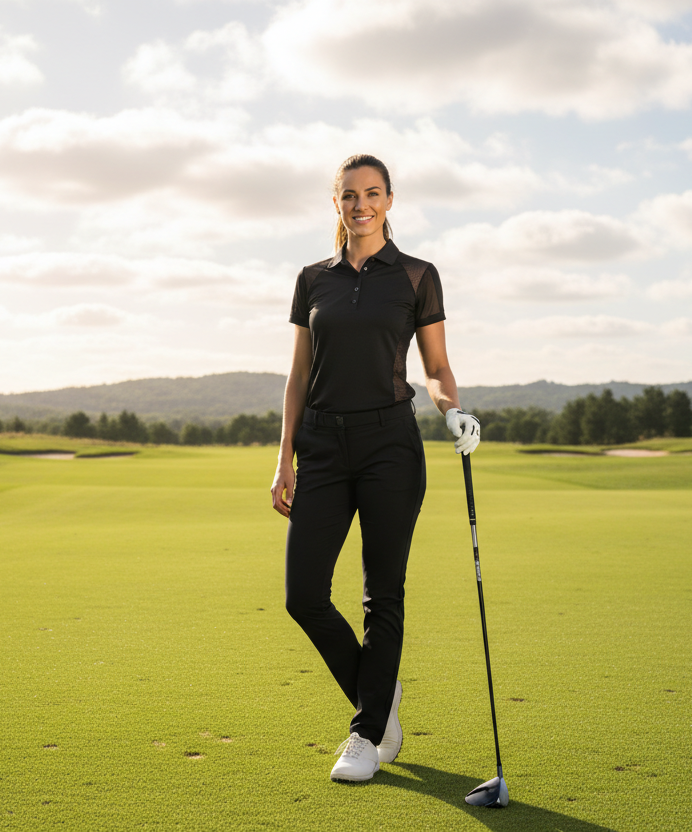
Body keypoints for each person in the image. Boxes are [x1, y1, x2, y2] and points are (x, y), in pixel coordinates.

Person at [270, 154, 481, 783]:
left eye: (372, 194)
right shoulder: (313, 278)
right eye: (349, 195)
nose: (360, 205)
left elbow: (437, 368)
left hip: (391, 445)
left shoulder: (417, 276)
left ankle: (365, 734)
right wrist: (284, 456)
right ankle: (378, 700)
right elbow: (299, 375)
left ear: (389, 200)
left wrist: (453, 412)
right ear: (335, 203)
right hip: (322, 448)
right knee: (303, 595)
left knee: (381, 594)